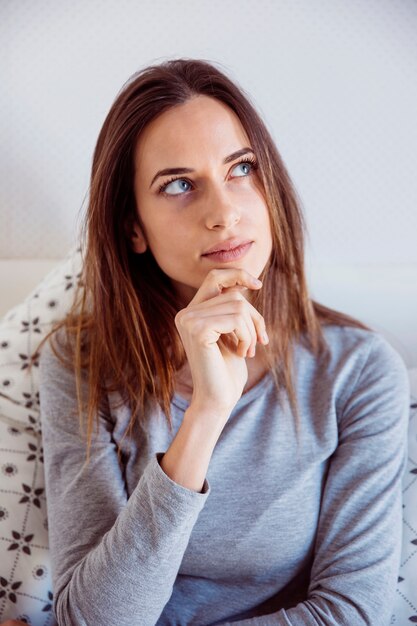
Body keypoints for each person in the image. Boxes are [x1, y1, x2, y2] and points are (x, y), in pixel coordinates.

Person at [29, 58, 409, 625]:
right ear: (133, 227)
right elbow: (92, 619)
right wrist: (205, 416)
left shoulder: (359, 371)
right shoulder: (79, 368)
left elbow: (352, 613)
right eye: (179, 185)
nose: (224, 212)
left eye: (242, 168)